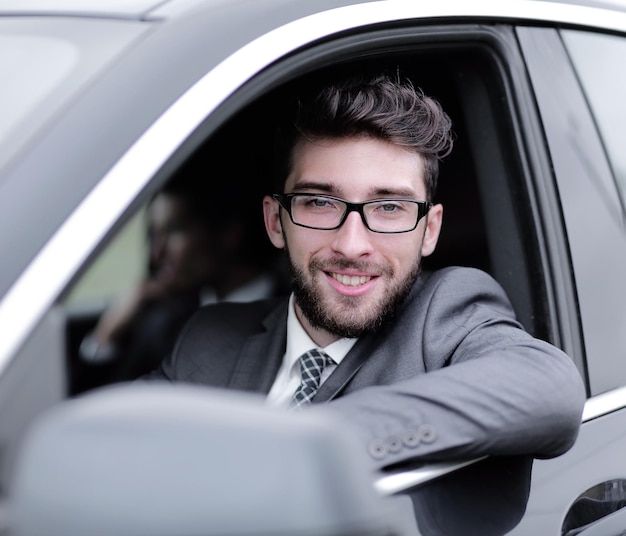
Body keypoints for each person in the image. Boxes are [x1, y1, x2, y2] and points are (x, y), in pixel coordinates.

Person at [144, 73, 585, 470]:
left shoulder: (446, 314)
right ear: (276, 221)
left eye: (390, 207)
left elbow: (549, 390)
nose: (352, 245)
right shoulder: (208, 337)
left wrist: (307, 443)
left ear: (429, 230)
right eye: (319, 202)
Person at [79, 173, 283, 385]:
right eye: (154, 233)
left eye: (174, 230)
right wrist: (105, 335)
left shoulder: (295, 312)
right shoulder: (163, 322)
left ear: (228, 232)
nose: (157, 253)